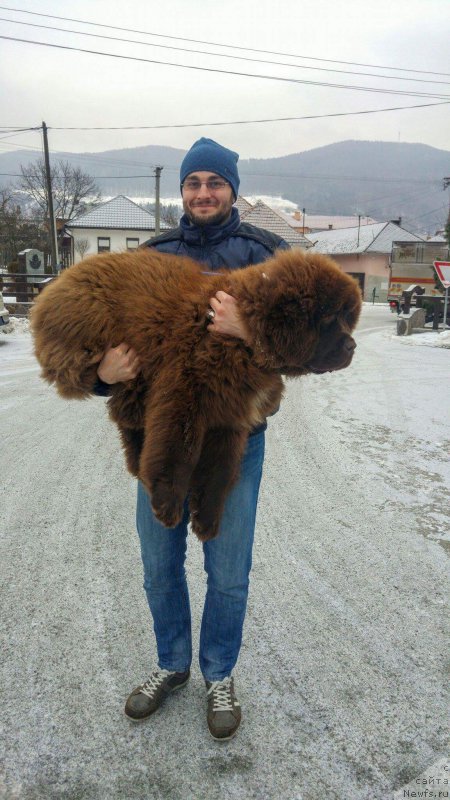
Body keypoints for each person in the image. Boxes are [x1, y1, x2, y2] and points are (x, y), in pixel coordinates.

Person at [94, 138, 289, 740]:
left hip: (237, 440)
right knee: (159, 566)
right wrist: (101, 376)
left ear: (233, 189)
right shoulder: (151, 255)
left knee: (227, 571)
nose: (203, 192)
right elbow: (96, 336)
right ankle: (172, 664)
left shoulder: (268, 255)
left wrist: (247, 328)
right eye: (193, 182)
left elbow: (315, 349)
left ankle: (218, 673)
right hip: (161, 437)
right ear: (181, 191)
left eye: (215, 182)